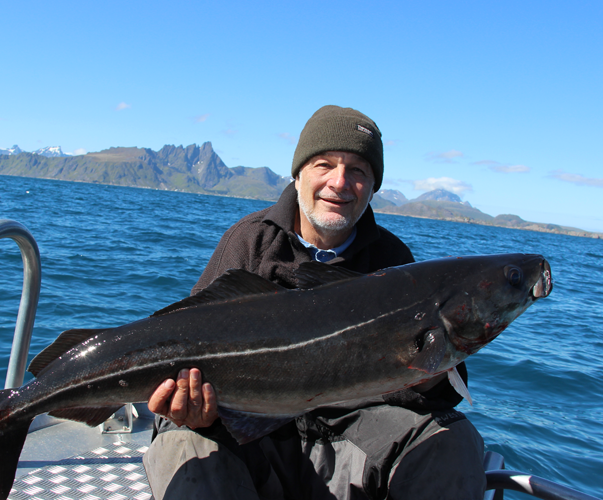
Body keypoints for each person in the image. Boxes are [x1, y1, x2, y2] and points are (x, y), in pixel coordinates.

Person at [143, 105, 486, 499]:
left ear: (373, 186)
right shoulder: (249, 241)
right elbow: (188, 334)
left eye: (358, 170)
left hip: (348, 432)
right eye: (324, 164)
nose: (339, 182)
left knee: (451, 440)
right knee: (184, 444)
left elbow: (442, 394)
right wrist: (193, 407)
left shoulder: (396, 263)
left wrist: (429, 376)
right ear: (299, 173)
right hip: (242, 429)